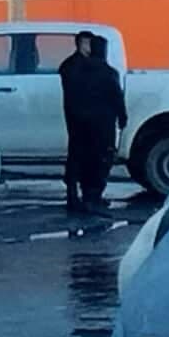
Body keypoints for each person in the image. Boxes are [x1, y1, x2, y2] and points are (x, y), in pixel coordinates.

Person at [58, 31, 128, 213]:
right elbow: (116, 97)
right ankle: (92, 196)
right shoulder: (107, 72)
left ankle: (75, 196)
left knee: (77, 157)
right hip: (102, 124)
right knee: (99, 159)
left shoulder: (70, 67)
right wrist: (122, 117)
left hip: (77, 121)